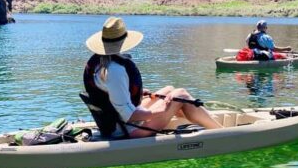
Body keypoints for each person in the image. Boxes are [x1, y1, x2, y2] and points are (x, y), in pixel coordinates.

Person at [83, 17, 223, 138]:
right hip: (127, 129)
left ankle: (198, 117)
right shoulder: (115, 70)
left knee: (169, 90)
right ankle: (222, 133)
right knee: (181, 95)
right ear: (124, 39)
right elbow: (129, 115)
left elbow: (112, 94)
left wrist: (137, 94)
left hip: (117, 123)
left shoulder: (99, 63)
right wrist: (160, 111)